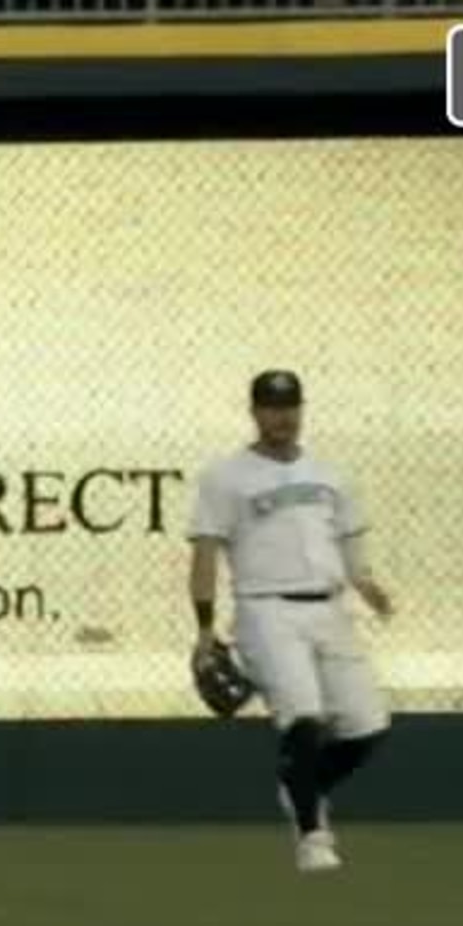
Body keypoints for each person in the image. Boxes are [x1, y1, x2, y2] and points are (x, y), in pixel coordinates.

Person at [186, 369, 398, 874]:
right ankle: (313, 835)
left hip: (329, 608)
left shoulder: (331, 476)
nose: (282, 416)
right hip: (266, 610)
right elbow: (206, 553)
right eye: (271, 407)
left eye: (289, 406)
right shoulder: (226, 477)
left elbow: (350, 548)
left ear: (301, 410)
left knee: (368, 727)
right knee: (303, 717)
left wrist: (368, 587)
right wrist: (204, 627)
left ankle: (300, 785)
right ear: (254, 412)